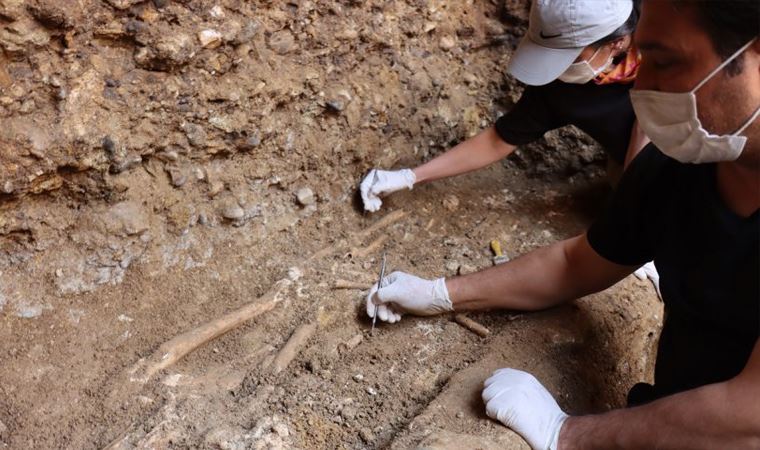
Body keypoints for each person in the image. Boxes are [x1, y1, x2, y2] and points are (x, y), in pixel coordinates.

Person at [366, 0, 760, 448]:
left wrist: (568, 433)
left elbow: (749, 417)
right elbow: (576, 263)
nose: (641, 87)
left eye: (666, 61)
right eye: (644, 62)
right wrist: (439, 293)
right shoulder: (676, 169)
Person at [360, 0, 647, 214]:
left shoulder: (673, 24)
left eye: (568, 56)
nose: (559, 68)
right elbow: (500, 140)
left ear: (617, 42)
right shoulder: (561, 87)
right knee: (623, 180)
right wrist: (410, 176)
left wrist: (638, 211)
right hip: (632, 163)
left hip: (683, 157)